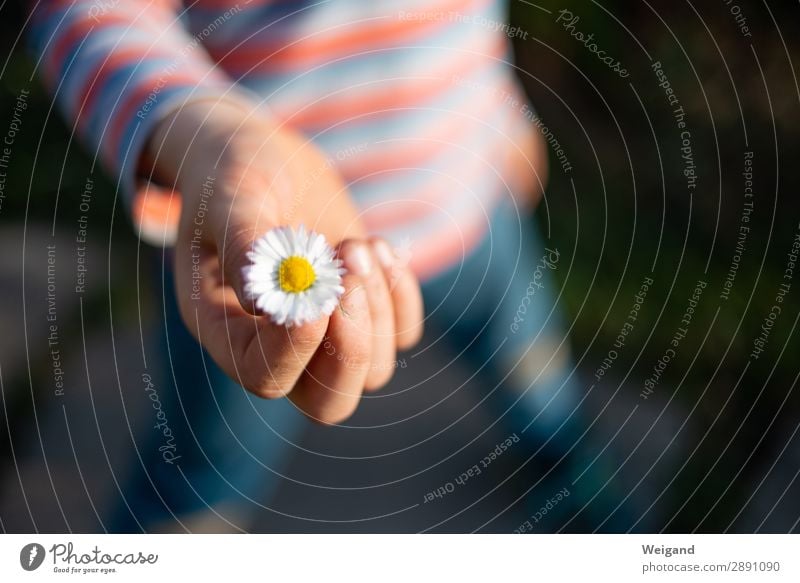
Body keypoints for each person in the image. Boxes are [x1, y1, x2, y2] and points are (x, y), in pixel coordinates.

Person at [28, 0, 630, 531]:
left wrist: (506, 110)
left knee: (533, 370)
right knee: (207, 461)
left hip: (471, 209)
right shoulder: (262, 280)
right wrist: (197, 128)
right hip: (250, 263)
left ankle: (562, 457)